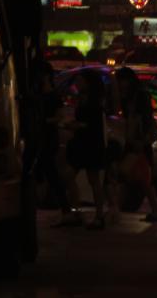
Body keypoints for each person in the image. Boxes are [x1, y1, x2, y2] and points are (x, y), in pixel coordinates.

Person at [30, 59, 81, 227]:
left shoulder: (52, 95)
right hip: (41, 137)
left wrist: (45, 121)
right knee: (47, 173)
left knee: (50, 173)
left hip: (47, 137)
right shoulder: (37, 94)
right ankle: (64, 209)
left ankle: (66, 210)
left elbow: (59, 116)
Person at [115, 67, 157, 223]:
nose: (121, 84)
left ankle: (115, 208)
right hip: (136, 141)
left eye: (123, 80)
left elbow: (145, 119)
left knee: (132, 175)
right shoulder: (129, 96)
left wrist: (141, 140)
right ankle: (154, 211)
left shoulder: (139, 96)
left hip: (139, 142)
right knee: (141, 178)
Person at [66, 69, 110, 229]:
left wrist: (74, 125)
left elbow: (91, 124)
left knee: (93, 180)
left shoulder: (93, 102)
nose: (76, 83)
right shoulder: (83, 99)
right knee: (71, 176)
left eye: (79, 80)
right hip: (83, 143)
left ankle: (97, 215)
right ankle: (78, 211)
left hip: (90, 144)